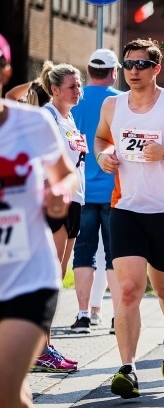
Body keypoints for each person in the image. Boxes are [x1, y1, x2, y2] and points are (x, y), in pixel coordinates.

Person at [95, 38, 164, 399]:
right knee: (129, 289)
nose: (133, 71)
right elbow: (101, 139)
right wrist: (103, 155)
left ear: (156, 68)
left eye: (141, 65)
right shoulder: (113, 105)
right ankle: (127, 368)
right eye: (128, 64)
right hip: (125, 208)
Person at [0, 33, 80, 408]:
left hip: (28, 274)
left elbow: (64, 173)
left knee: (4, 389)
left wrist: (58, 195)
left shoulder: (31, 124)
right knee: (10, 395)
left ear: (5, 71)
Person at [35, 62, 86, 373]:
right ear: (54, 89)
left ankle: (44, 346)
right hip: (55, 202)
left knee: (58, 277)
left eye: (79, 85)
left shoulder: (68, 118)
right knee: (48, 278)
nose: (78, 90)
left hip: (74, 201)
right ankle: (39, 349)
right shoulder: (47, 116)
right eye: (72, 86)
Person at [70, 49, 122, 335]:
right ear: (114, 72)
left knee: (83, 253)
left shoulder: (73, 101)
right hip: (116, 191)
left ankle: (83, 316)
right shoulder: (121, 102)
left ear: (88, 71)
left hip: (81, 190)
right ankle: (118, 317)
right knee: (116, 255)